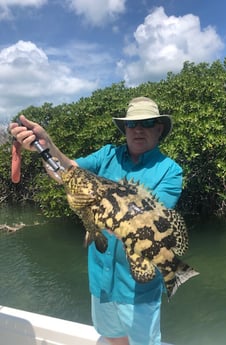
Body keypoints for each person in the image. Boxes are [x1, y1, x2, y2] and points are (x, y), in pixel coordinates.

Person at [10, 97, 183, 345]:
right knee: (113, 338)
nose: (138, 129)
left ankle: (174, 271)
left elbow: (156, 216)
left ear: (159, 129)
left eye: (147, 123)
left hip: (137, 287)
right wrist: (46, 145)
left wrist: (108, 215)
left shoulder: (170, 170)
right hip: (101, 281)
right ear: (125, 129)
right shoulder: (107, 154)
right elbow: (68, 171)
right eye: (132, 124)